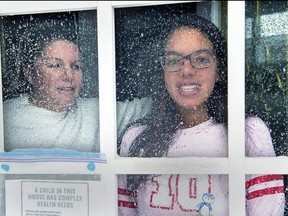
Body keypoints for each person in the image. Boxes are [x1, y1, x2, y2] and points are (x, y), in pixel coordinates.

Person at [117, 14, 285, 215]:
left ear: (220, 69)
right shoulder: (136, 138)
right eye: (173, 61)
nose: (186, 70)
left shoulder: (248, 133)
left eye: (201, 59)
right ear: (162, 72)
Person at [3, 23, 151, 152]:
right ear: (29, 73)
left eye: (76, 66)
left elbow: (152, 105)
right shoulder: (6, 117)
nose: (69, 75)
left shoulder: (96, 113)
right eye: (55, 65)